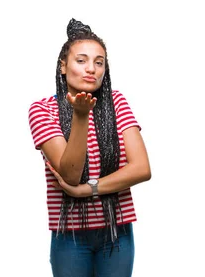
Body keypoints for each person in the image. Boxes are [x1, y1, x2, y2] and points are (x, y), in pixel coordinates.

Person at [27, 18, 151, 277]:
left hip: (117, 233)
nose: (91, 69)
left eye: (99, 62)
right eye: (81, 60)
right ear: (63, 66)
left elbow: (141, 169)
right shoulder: (42, 110)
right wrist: (80, 116)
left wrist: (86, 190)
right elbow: (70, 173)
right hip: (69, 237)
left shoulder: (117, 102)